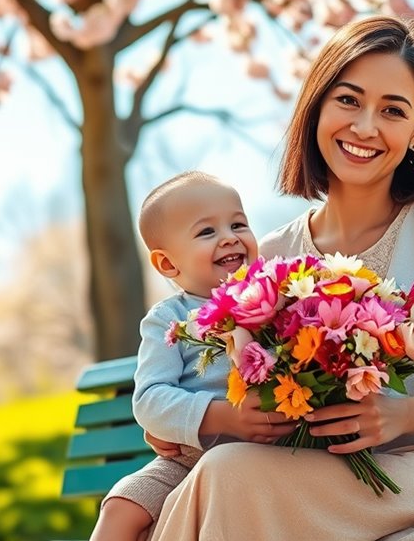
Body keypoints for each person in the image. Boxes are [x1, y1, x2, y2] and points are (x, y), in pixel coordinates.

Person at [148, 16, 414, 541]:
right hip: (307, 477)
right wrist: (183, 422)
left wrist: (406, 415)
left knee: (227, 479)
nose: (365, 127)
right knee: (222, 473)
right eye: (349, 100)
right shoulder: (274, 254)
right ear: (317, 106)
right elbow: (243, 384)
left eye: (393, 110)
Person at [89, 171, 295, 541]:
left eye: (238, 224)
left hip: (277, 455)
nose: (230, 237)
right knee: (122, 505)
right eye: (207, 232)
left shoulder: (277, 299)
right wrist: (223, 416)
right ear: (168, 264)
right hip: (187, 460)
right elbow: (150, 399)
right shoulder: (169, 320)